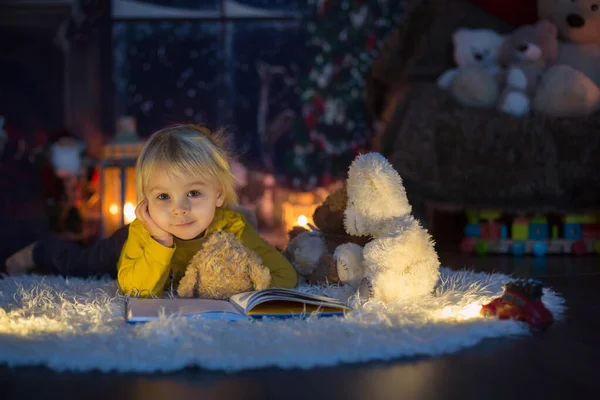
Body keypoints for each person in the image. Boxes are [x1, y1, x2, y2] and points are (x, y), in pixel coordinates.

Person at [5, 124, 298, 297]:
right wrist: (159, 239)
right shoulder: (146, 229)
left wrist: (238, 281)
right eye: (163, 196)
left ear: (218, 194)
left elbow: (286, 275)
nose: (179, 209)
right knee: (82, 265)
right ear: (146, 199)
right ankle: (38, 251)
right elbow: (136, 290)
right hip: (136, 242)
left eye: (193, 193)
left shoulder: (233, 229)